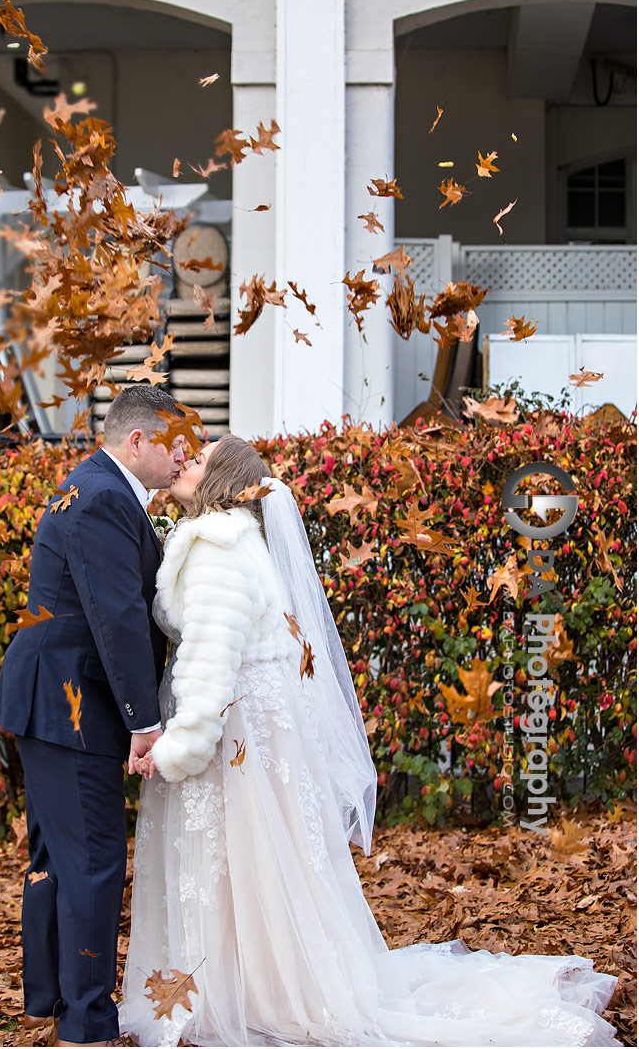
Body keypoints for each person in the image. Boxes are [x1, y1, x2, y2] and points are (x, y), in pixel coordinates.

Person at [119, 434, 622, 1048]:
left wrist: (176, 751)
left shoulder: (215, 550)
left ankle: (253, 995)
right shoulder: (242, 543)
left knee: (239, 865)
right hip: (258, 733)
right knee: (262, 869)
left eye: (197, 460)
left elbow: (209, 664)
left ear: (223, 481)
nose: (182, 463)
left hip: (230, 735)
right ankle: (258, 983)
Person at [0, 385, 187, 1047]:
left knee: (58, 853)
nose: (182, 453)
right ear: (138, 442)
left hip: (49, 698)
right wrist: (144, 720)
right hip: (71, 704)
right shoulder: (103, 496)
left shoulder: (92, 487)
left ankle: (49, 995)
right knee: (95, 859)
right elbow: (116, 615)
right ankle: (86, 1024)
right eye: (174, 442)